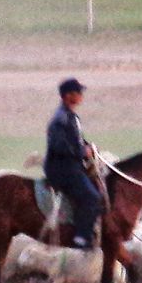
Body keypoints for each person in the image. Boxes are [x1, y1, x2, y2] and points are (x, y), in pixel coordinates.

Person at [44, 77, 102, 250]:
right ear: (68, 95)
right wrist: (82, 152)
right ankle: (81, 238)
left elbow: (76, 140)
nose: (81, 96)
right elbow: (59, 145)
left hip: (71, 165)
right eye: (78, 93)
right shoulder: (60, 119)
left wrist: (88, 146)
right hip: (62, 169)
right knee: (92, 197)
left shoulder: (70, 116)